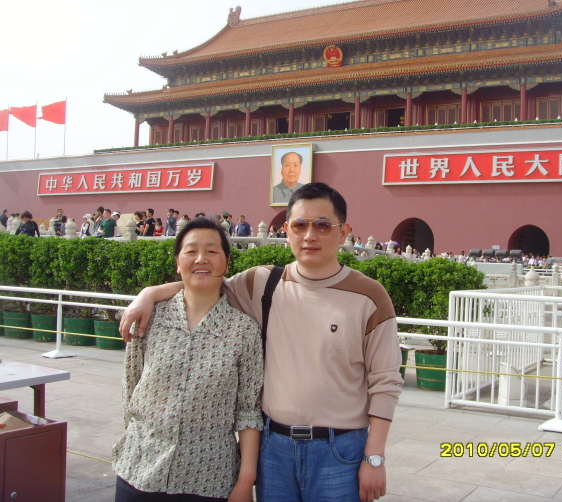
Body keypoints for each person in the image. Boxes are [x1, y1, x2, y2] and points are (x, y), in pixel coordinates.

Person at [120, 182, 402, 502]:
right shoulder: (263, 283)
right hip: (274, 449)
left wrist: (374, 457)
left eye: (323, 225)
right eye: (300, 225)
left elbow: (386, 381)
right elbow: (204, 281)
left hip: (340, 451)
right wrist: (149, 294)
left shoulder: (370, 296)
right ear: (287, 230)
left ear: (343, 232)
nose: (310, 235)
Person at [113, 217, 263, 501]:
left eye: (212, 251)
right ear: (177, 263)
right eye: (191, 251)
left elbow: (248, 411)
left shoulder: (244, 331)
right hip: (139, 468)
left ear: (226, 264)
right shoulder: (150, 317)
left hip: (208, 477)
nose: (201, 259)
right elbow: (130, 386)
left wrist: (245, 481)